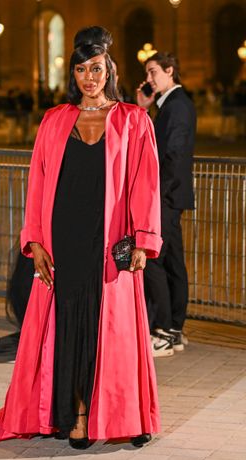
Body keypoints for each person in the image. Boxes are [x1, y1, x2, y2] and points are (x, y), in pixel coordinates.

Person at [0, 26, 162, 450]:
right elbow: (38, 182)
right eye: (82, 69)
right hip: (64, 240)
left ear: (109, 70)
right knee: (69, 326)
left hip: (110, 243)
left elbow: (146, 183)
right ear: (74, 73)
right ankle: (79, 415)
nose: (89, 77)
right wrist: (35, 242)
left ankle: (127, 413)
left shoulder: (133, 120)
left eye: (97, 69)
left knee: (114, 329)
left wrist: (143, 239)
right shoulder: (54, 120)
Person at [137, 52, 196, 357]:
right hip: (170, 196)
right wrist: (143, 110)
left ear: (170, 71)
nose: (148, 79)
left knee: (155, 260)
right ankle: (174, 328)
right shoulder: (170, 105)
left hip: (166, 197)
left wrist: (156, 198)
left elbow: (171, 156)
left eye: (153, 72)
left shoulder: (177, 106)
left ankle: (164, 331)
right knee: (172, 262)